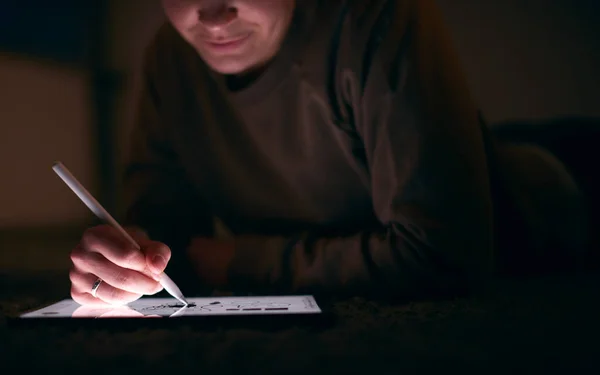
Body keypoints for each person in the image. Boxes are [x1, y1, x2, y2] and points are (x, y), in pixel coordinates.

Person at [68, 0, 587, 307]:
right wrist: (121, 262)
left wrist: (239, 260)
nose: (211, 15)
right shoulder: (171, 54)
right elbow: (167, 243)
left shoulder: (378, 18)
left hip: (558, 190)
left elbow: (443, 256)